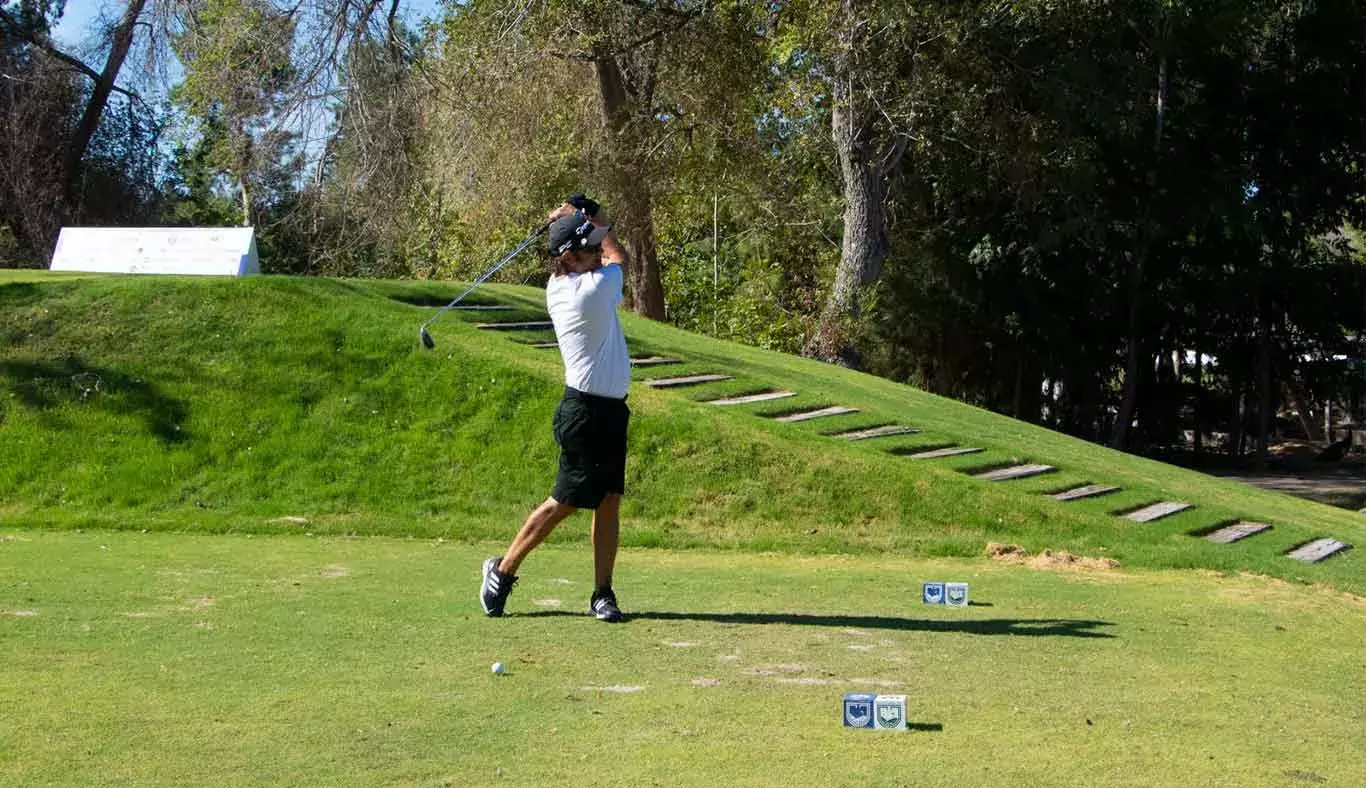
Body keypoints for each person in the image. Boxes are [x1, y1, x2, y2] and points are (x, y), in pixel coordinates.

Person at [479, 194, 632, 622]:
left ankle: (603, 593)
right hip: (583, 412)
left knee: (609, 500)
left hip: (609, 411)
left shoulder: (564, 282)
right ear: (570, 257)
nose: (599, 255)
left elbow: (598, 248)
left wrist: (581, 215)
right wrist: (590, 215)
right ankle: (502, 572)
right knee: (564, 502)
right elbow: (618, 254)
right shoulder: (593, 292)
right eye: (590, 250)